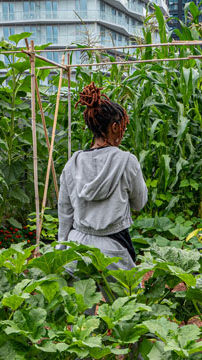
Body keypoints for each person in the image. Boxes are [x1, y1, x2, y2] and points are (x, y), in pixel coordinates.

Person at [57, 83, 147, 271]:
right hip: (114, 248)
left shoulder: (72, 163)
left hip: (77, 247)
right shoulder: (127, 161)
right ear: (114, 127)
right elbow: (139, 203)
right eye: (122, 127)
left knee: (81, 298)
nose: (123, 131)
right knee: (125, 300)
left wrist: (62, 249)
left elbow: (65, 214)